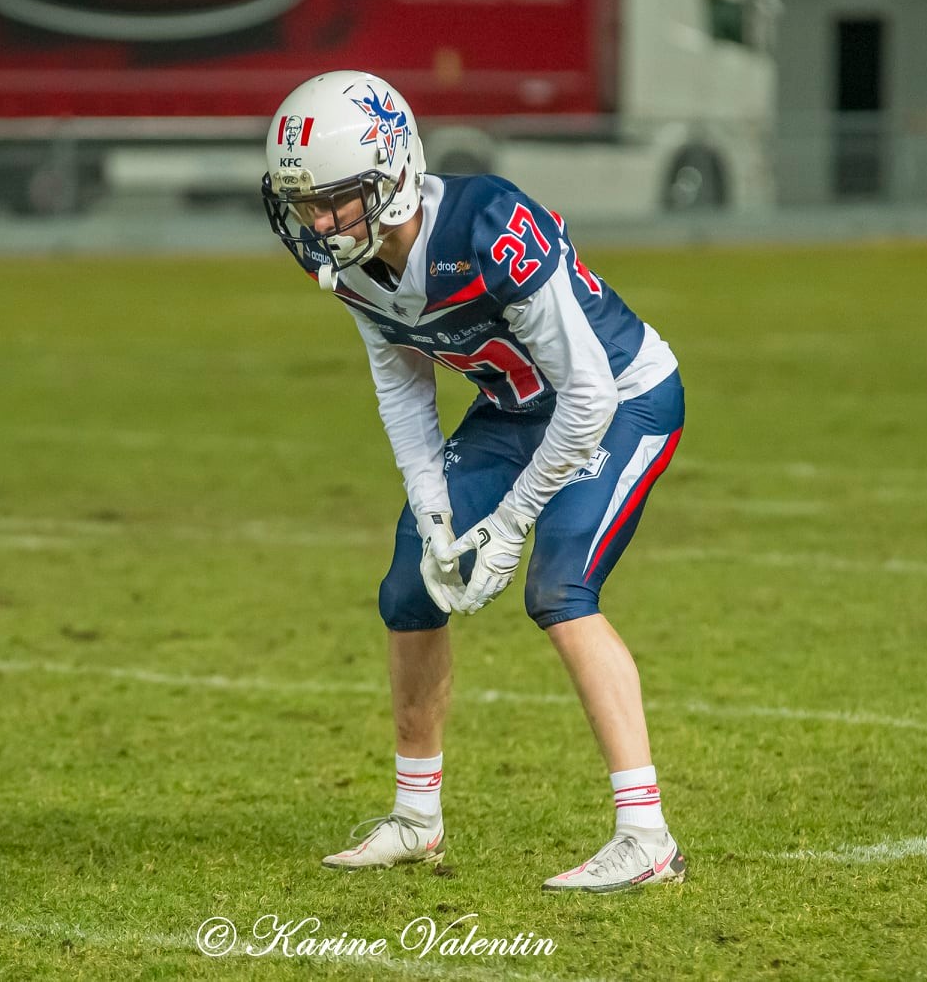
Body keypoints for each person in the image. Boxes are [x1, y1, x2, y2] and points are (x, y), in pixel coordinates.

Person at [261, 71, 688, 892]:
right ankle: (417, 817)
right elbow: (402, 385)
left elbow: (591, 390)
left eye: (334, 199)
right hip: (521, 406)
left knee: (560, 584)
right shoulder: (352, 266)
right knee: (410, 583)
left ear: (389, 175)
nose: (317, 222)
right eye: (304, 201)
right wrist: (431, 506)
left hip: (623, 396)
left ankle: (646, 835)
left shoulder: (487, 224)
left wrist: (513, 518)